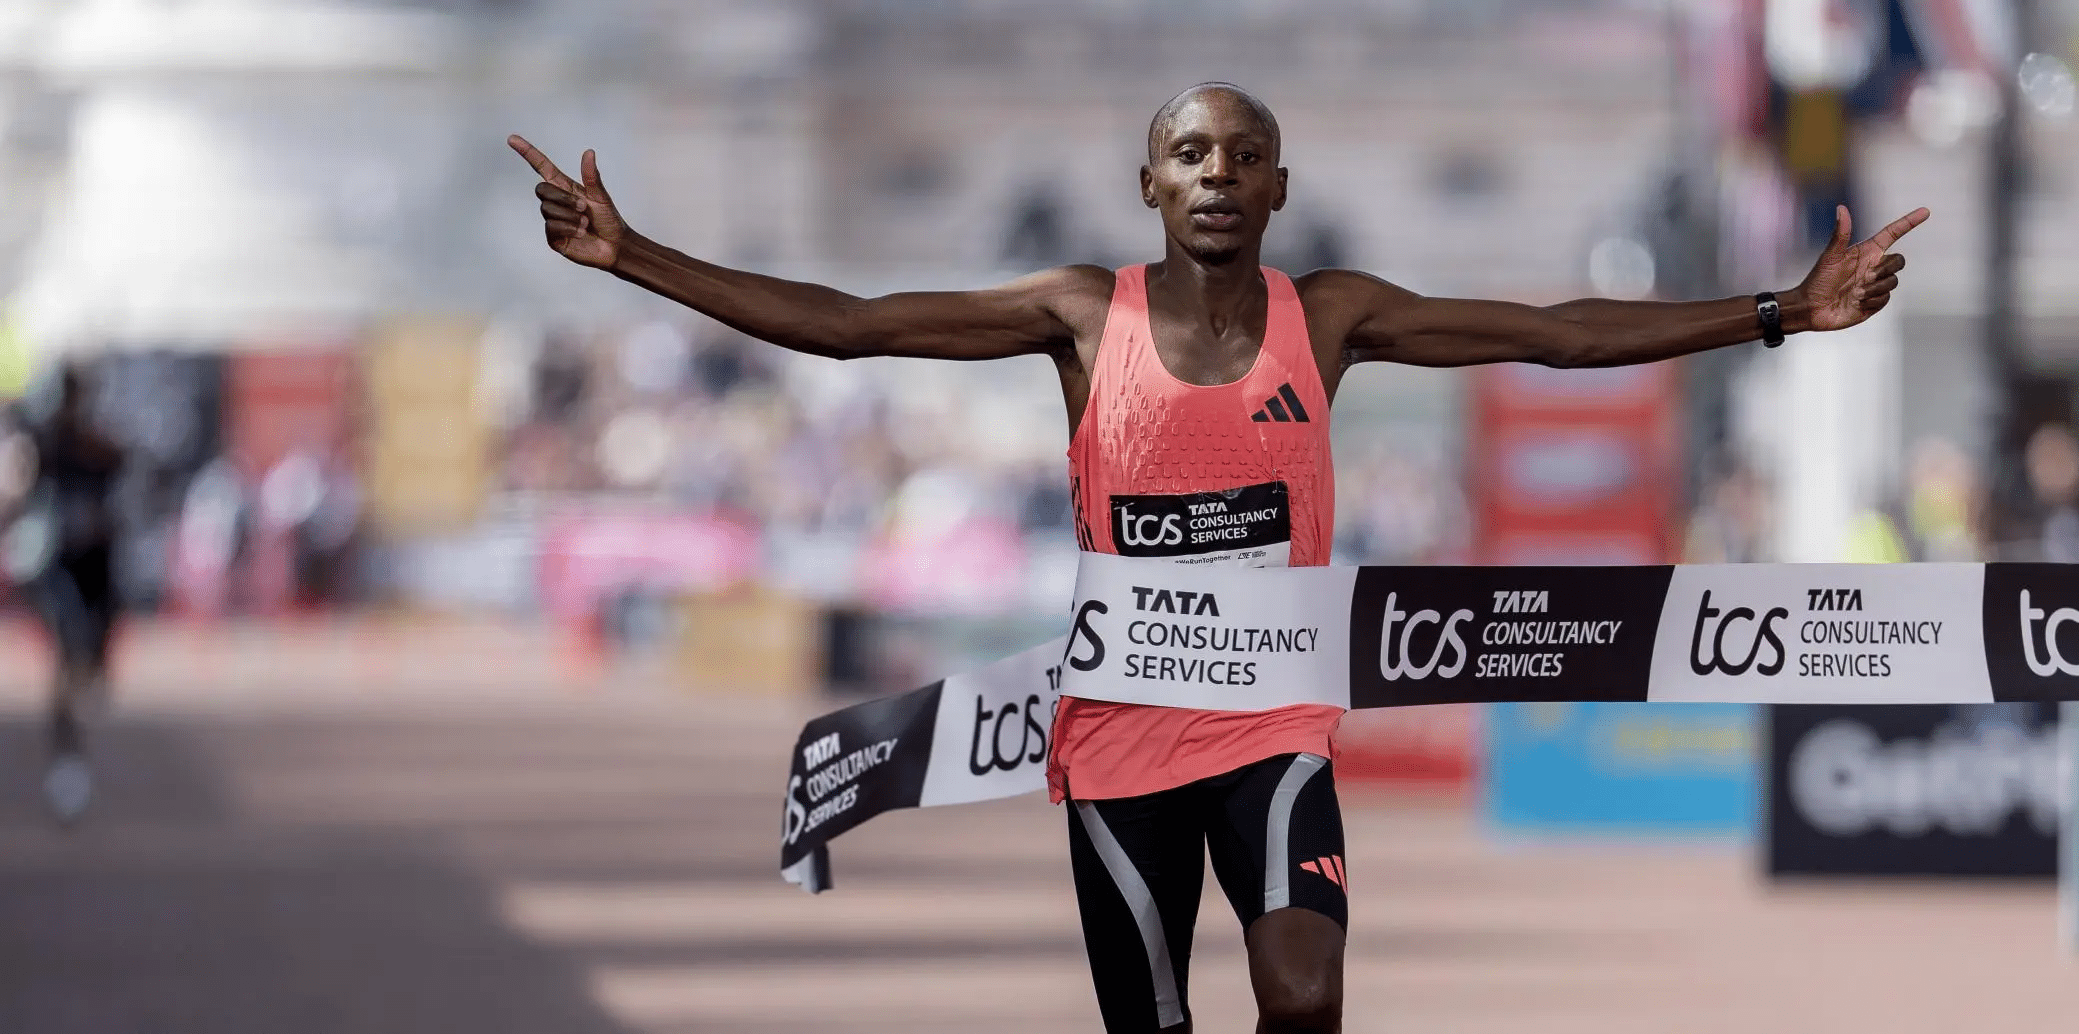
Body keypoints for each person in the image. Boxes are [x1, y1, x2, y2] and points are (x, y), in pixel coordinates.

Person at [511, 82, 1925, 1033]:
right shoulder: (1079, 316)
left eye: (1246, 156)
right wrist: (636, 257)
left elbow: (1555, 333)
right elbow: (853, 322)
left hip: (1273, 727)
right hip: (1120, 742)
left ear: (1282, 187)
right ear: (1148, 182)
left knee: (1303, 990)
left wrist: (1777, 314)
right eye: (1193, 153)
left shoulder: (1337, 315)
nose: (1219, 175)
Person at [1, 363, 125, 824]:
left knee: (86, 655)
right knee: (66, 649)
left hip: (94, 571)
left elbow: (122, 500)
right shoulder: (43, 447)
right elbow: (16, 494)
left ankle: (88, 677)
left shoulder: (102, 451)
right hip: (55, 569)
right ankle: (67, 763)